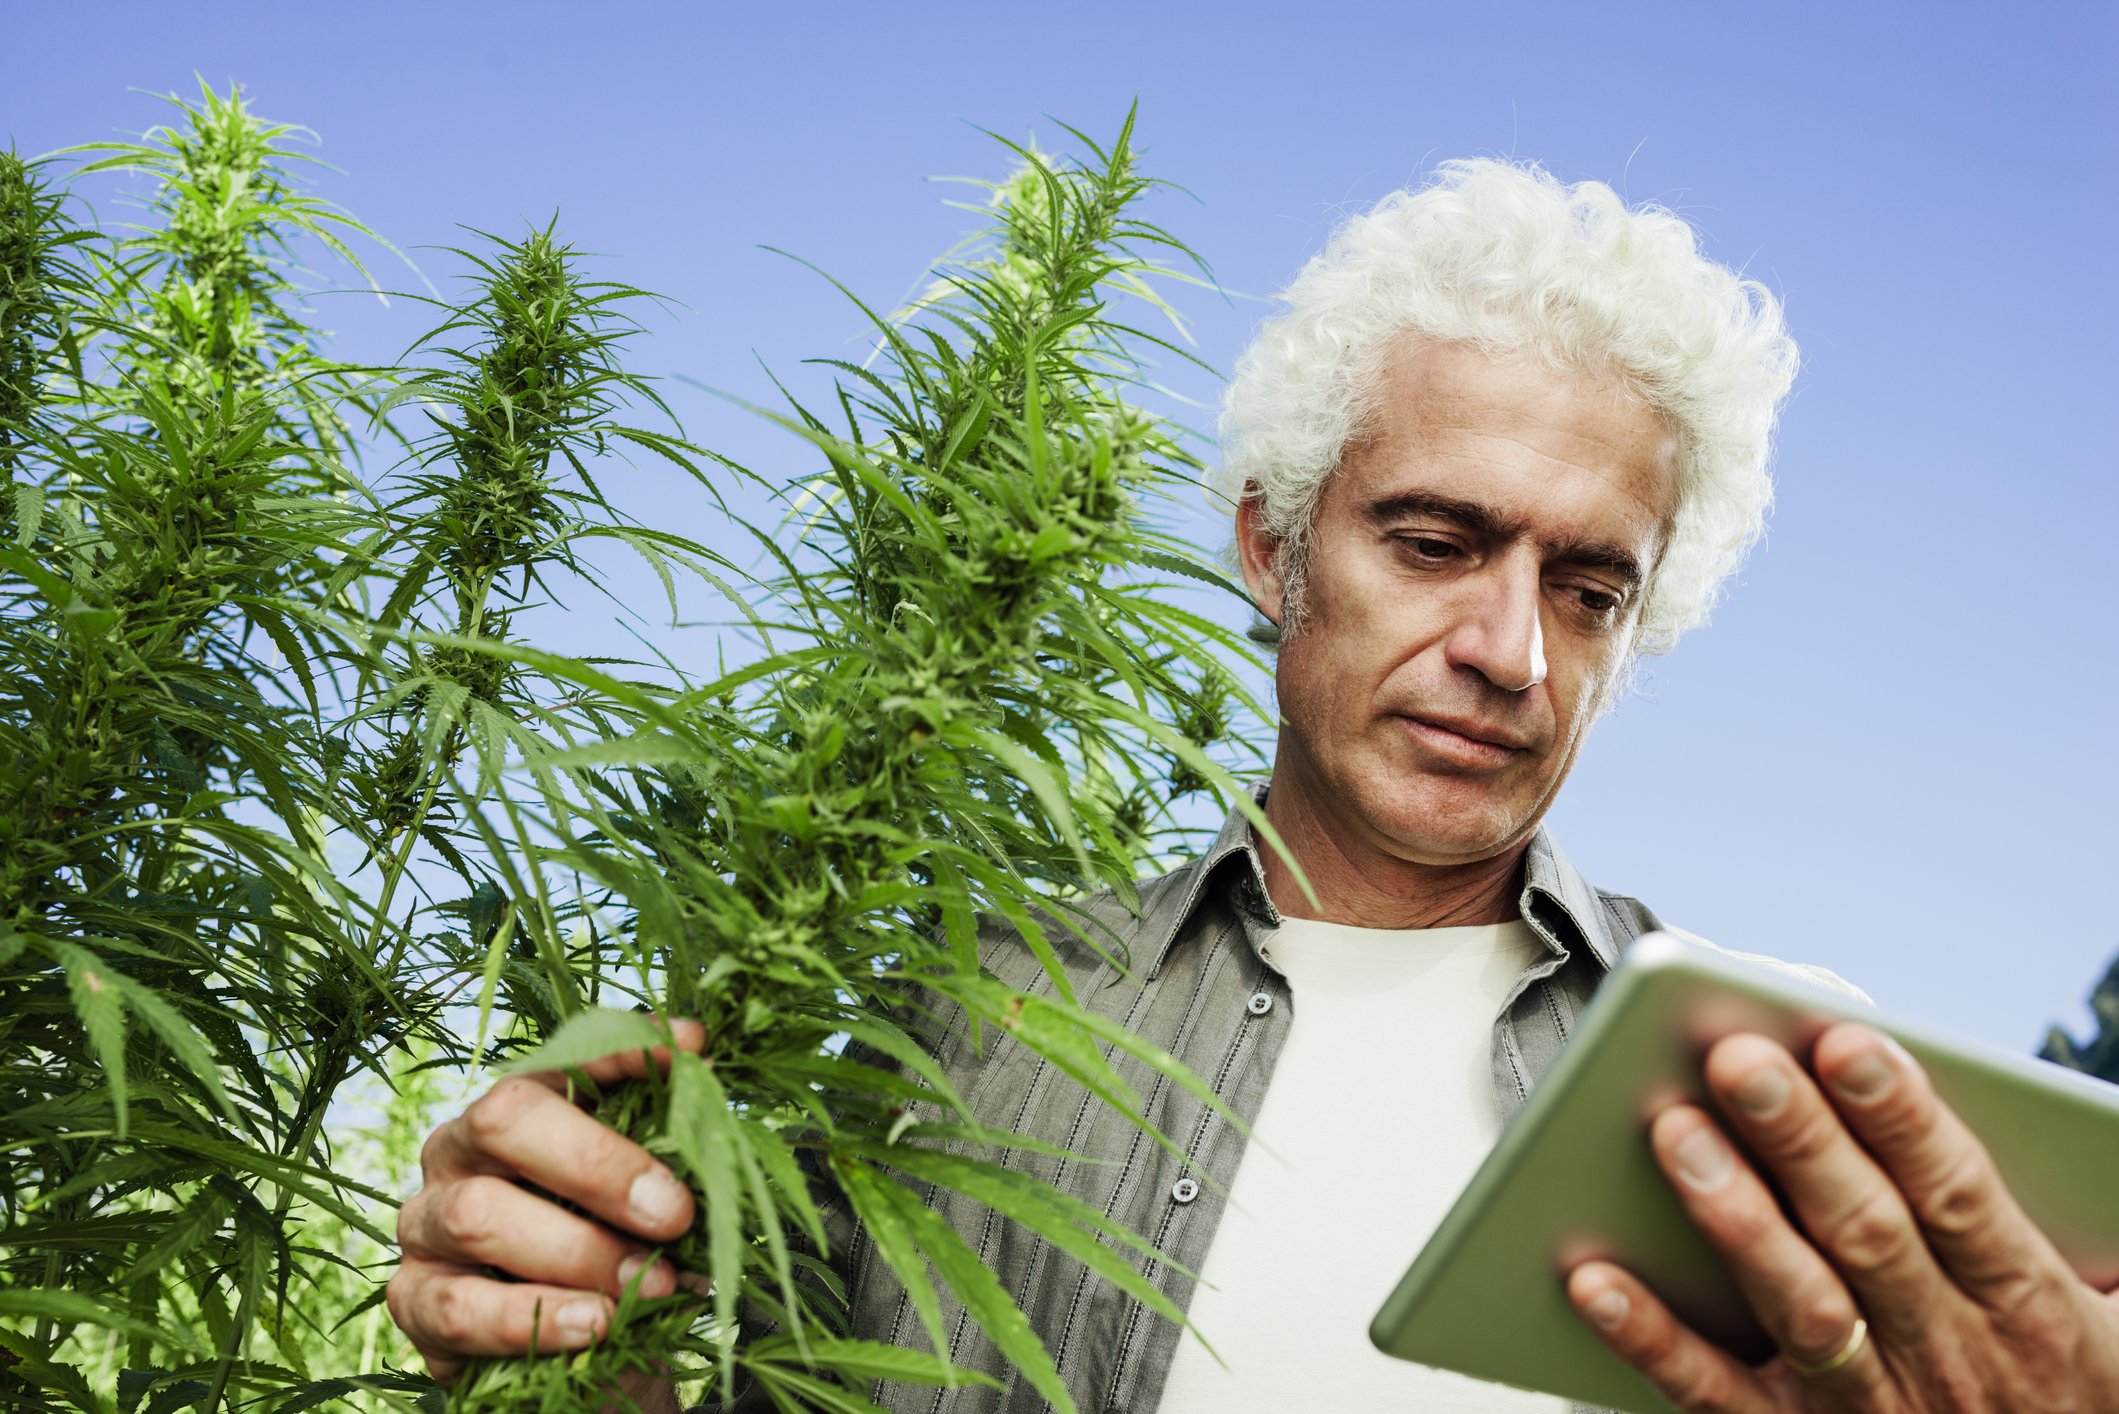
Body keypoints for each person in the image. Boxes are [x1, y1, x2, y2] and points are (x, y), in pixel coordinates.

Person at [384, 161, 2119, 1412]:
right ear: (1269, 542)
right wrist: (554, 1333)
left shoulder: (1799, 1080)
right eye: (1435, 542)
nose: (1512, 648)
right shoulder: (960, 1010)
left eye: (1590, 589)